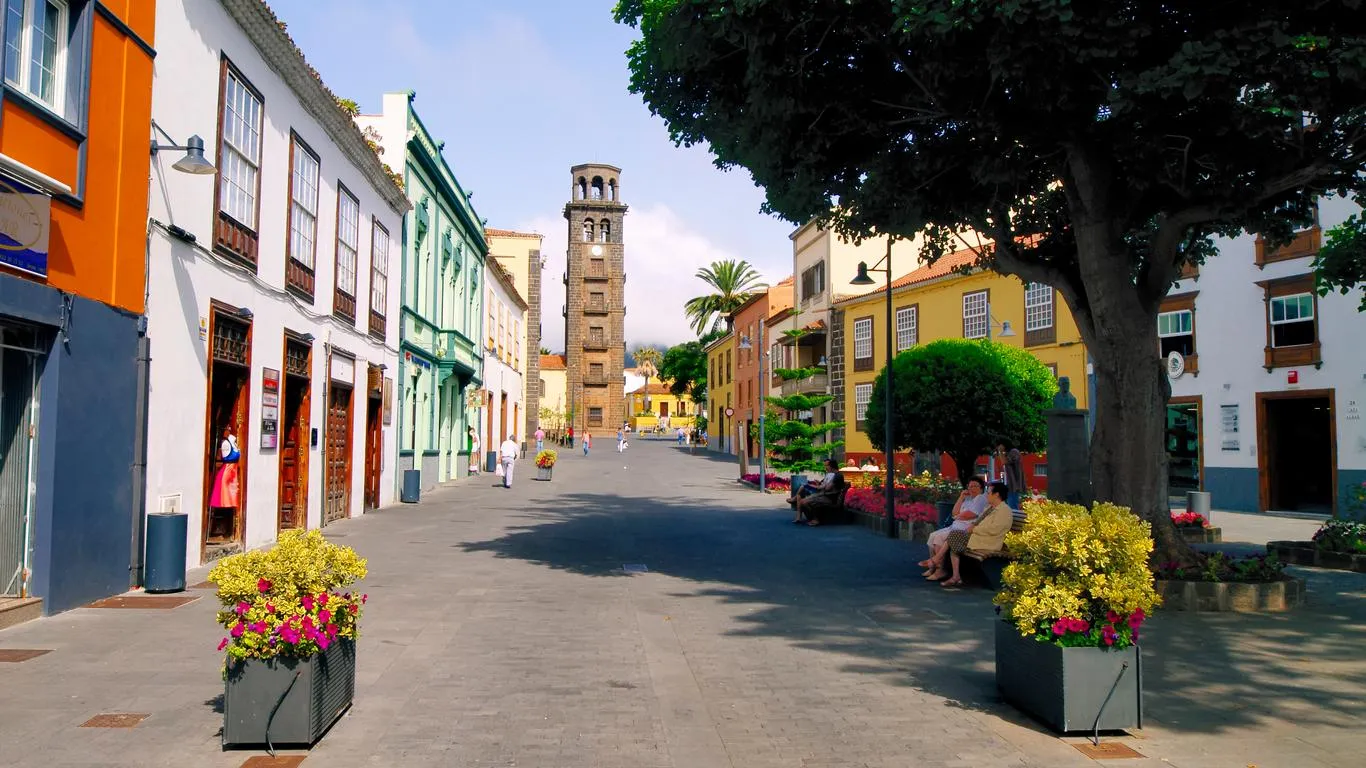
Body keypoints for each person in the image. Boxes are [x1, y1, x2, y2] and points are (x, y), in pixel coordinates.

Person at [925, 481, 1013, 587]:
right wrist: (972, 527)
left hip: (989, 541)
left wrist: (974, 529)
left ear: (997, 494)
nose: (986, 495)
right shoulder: (990, 508)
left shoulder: (1004, 510)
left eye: (988, 493)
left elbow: (995, 529)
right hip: (979, 537)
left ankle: (937, 560)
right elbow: (978, 521)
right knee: (954, 538)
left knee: (954, 537)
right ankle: (955, 575)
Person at [920, 477, 987, 574]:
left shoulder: (980, 498)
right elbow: (954, 512)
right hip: (955, 526)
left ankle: (940, 570)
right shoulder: (968, 499)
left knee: (938, 539)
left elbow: (971, 514)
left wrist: (957, 516)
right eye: (970, 486)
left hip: (963, 529)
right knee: (932, 536)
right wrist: (961, 497)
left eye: (975, 486)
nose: (971, 488)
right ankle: (933, 568)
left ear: (981, 488)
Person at [793, 458, 848, 526]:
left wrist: (823, 486)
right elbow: (826, 486)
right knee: (802, 501)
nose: (825, 467)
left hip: (831, 498)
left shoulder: (837, 475)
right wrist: (823, 485)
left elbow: (828, 488)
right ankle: (813, 518)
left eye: (827, 466)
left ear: (831, 466)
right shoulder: (833, 474)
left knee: (804, 502)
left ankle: (816, 519)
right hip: (825, 495)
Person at [997, 444, 1026, 510]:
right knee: (1010, 505)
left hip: (1013, 485)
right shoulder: (1009, 454)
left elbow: (1004, 462)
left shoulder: (1014, 452)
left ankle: (1013, 519)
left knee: (1012, 507)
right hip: (1010, 485)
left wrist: (1000, 451)